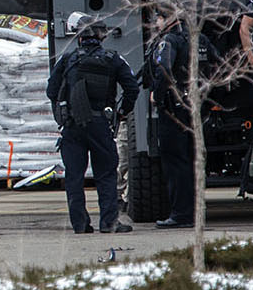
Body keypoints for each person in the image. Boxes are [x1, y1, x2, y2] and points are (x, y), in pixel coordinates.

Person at [47, 16, 140, 234]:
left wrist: (62, 113)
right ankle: (109, 223)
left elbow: (51, 90)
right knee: (106, 175)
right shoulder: (113, 59)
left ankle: (80, 225)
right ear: (101, 36)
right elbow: (132, 88)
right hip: (100, 124)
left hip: (72, 125)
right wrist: (122, 112)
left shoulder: (67, 59)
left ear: (79, 37)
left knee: (74, 176)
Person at [148, 16, 212, 229]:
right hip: (196, 108)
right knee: (193, 160)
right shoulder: (200, 39)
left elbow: (164, 69)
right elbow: (217, 64)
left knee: (176, 162)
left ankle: (181, 214)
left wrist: (157, 96)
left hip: (174, 109)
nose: (156, 23)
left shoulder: (169, 41)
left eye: (158, 18)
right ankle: (196, 211)